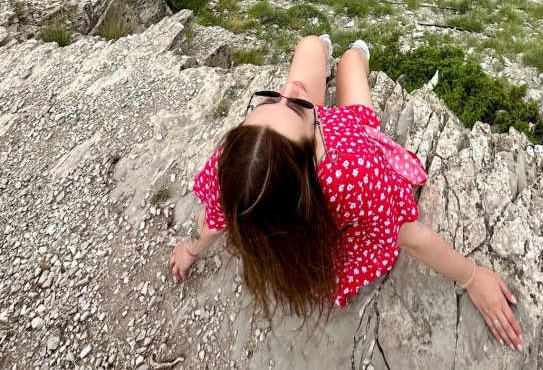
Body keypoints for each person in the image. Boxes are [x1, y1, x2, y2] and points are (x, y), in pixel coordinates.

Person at [169, 34, 524, 352]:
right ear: (308, 164)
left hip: (313, 143)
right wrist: (472, 276)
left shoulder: (246, 163)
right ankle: (353, 51)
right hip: (349, 133)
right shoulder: (355, 177)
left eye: (268, 100)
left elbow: (215, 217)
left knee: (309, 45)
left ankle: (323, 51)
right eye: (295, 105)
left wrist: (189, 249)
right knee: (353, 60)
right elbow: (412, 238)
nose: (290, 88)